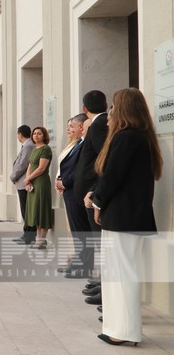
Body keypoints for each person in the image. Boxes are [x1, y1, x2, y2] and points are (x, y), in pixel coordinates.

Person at [91, 88, 162, 346]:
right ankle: (123, 328)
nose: (109, 112)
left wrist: (97, 200)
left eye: (113, 107)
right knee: (125, 275)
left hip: (122, 218)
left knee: (120, 276)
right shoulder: (142, 137)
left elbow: (112, 177)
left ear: (122, 109)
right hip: (134, 217)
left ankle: (122, 331)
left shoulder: (126, 138)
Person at [72, 90, 109, 283]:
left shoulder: (99, 125)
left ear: (84, 108)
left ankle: (101, 283)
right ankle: (99, 282)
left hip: (93, 193)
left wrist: (93, 189)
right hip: (90, 193)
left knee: (99, 241)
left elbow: (105, 160)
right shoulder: (99, 124)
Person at [55, 114, 90, 271]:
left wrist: (64, 182)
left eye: (72, 126)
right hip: (70, 191)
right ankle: (80, 261)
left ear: (81, 127)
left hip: (76, 191)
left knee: (82, 231)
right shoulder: (77, 144)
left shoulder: (84, 144)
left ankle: (84, 265)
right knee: (77, 231)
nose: (69, 129)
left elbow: (80, 170)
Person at [24, 127, 53, 249]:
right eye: (34, 133)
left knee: (42, 211)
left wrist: (28, 178)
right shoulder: (35, 149)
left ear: (44, 136)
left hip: (41, 183)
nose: (36, 135)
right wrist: (27, 181)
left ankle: (41, 240)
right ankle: (38, 240)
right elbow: (30, 166)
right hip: (32, 183)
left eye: (39, 134)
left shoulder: (46, 149)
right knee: (35, 211)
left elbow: (41, 168)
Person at [10, 125, 37, 244]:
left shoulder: (28, 146)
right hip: (21, 183)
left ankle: (29, 236)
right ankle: (26, 234)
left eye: (17, 134)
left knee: (27, 210)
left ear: (20, 134)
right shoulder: (27, 145)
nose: (17, 136)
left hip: (24, 182)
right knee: (25, 210)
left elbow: (22, 164)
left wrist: (13, 176)